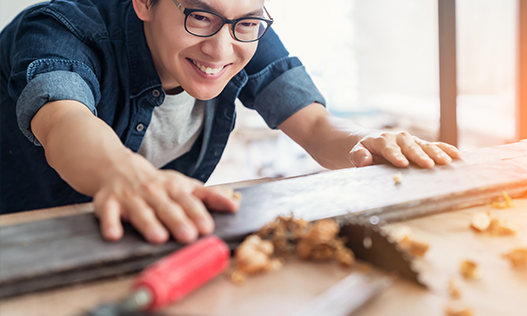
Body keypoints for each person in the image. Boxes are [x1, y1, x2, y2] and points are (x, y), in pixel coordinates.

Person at [0, 0, 460, 244]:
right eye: (199, 16)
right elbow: (62, 122)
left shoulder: (243, 30)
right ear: (144, 1)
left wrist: (370, 141)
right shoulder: (60, 29)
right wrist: (125, 174)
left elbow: (316, 128)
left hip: (125, 239)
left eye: (246, 22)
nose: (221, 52)